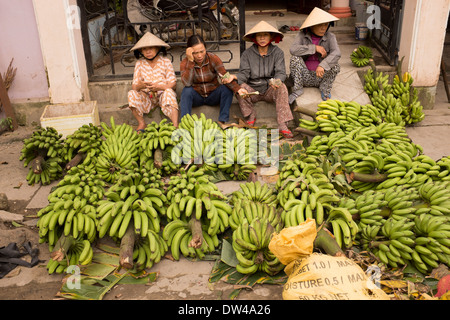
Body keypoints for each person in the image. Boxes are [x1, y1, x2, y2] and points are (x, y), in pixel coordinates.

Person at [236, 20, 294, 139]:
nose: (262, 38)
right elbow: (244, 74)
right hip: (253, 91)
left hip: (270, 90)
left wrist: (277, 81)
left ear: (271, 37)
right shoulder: (247, 54)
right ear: (254, 38)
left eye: (265, 35)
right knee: (239, 87)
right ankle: (251, 114)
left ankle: (283, 124)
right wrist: (235, 78)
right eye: (259, 35)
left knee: (282, 86)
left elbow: (281, 72)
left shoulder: (277, 52)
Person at [179, 34, 240, 126]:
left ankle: (222, 121)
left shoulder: (213, 58)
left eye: (202, 51)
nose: (199, 56)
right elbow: (187, 83)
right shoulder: (185, 63)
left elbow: (224, 76)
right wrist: (191, 62)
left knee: (226, 89)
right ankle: (184, 124)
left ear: (205, 48)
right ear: (189, 52)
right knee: (186, 91)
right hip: (197, 96)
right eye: (195, 53)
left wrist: (238, 89)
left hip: (213, 95)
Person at [289, 7, 341, 104]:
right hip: (305, 76)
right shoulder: (301, 35)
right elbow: (293, 49)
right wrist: (314, 48)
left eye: (325, 25)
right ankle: (298, 89)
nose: (323, 28)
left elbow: (337, 53)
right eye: (320, 25)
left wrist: (323, 65)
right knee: (295, 59)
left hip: (320, 77)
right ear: (312, 26)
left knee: (336, 65)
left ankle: (324, 88)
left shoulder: (330, 37)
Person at [128, 32, 179, 130]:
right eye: (144, 49)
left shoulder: (166, 62)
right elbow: (134, 87)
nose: (148, 52)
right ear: (141, 51)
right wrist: (141, 86)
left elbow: (173, 84)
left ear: (157, 48)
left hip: (162, 95)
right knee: (131, 93)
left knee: (169, 91)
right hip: (147, 97)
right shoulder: (139, 63)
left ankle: (175, 125)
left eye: (151, 48)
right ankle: (142, 123)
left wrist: (160, 87)